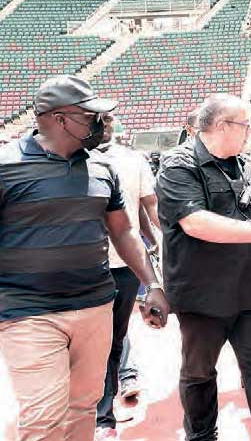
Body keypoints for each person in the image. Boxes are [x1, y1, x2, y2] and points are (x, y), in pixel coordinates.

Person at [0, 75, 168, 441]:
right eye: (90, 115)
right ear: (59, 119)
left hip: (94, 307)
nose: (100, 123)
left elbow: (123, 232)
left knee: (84, 406)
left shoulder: (101, 168)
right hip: (29, 313)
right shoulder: (6, 166)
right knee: (43, 416)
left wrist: (152, 283)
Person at [156, 94, 251, 441]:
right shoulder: (179, 164)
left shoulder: (246, 165)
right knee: (199, 373)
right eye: (245, 125)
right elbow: (194, 222)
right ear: (222, 126)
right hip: (202, 295)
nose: (249, 132)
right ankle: (202, 436)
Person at [93, 114, 163, 440]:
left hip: (126, 264)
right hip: (87, 266)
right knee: (93, 340)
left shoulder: (134, 161)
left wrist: (162, 245)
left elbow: (149, 210)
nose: (105, 129)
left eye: (109, 123)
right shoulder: (78, 160)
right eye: (99, 123)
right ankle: (101, 415)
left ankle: (104, 414)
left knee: (115, 338)